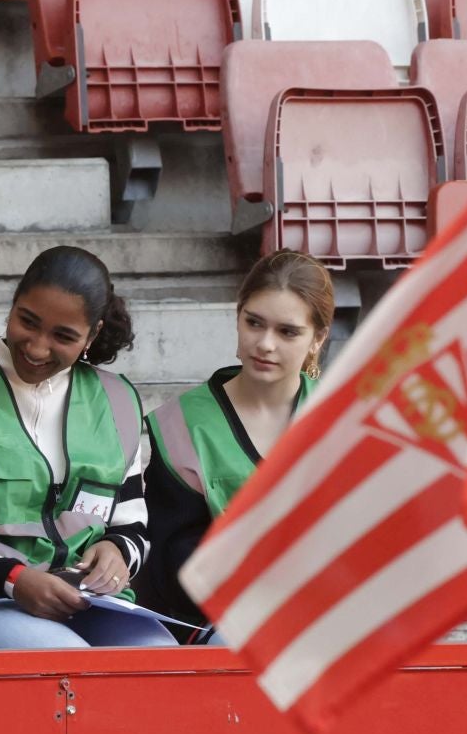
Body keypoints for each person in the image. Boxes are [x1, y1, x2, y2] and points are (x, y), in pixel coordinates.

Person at [0, 246, 174, 650]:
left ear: (92, 335)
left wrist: (116, 553)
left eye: (63, 336)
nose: (38, 348)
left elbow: (131, 525)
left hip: (92, 604)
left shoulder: (117, 403)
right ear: (12, 306)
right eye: (27, 322)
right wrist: (15, 580)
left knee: (159, 661)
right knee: (71, 664)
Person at [141, 251, 333, 635]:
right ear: (238, 317)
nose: (264, 343)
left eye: (287, 332)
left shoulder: (344, 418)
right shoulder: (182, 424)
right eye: (254, 323)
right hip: (216, 625)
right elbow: (172, 560)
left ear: (318, 339)